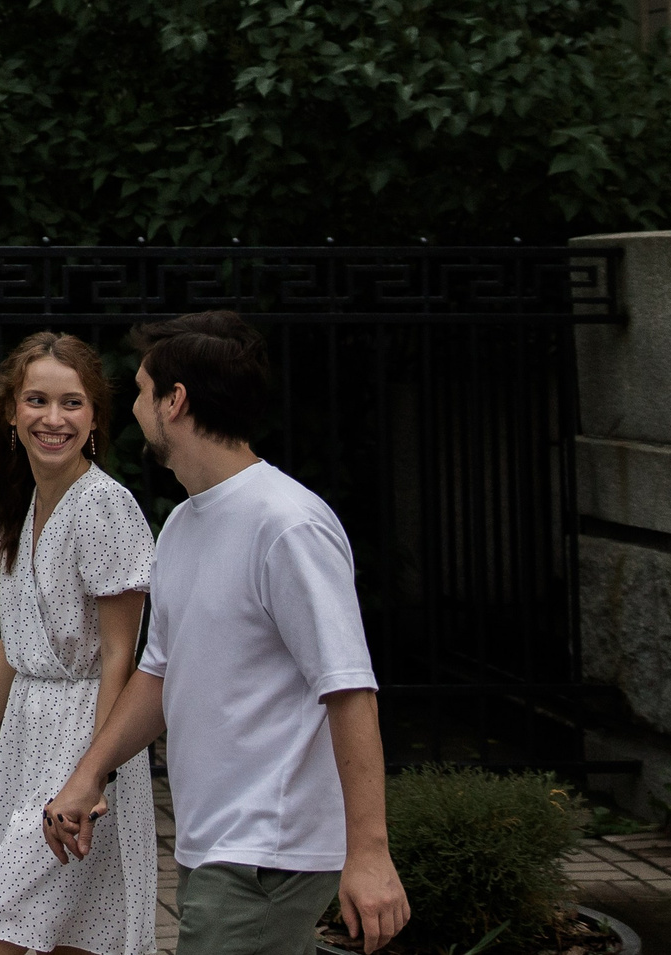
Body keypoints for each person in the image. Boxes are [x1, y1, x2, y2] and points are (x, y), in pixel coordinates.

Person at [41, 311, 410, 955]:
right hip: (215, 843)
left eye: (140, 390)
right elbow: (159, 672)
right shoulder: (183, 523)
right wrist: (89, 774)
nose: (131, 407)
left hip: (268, 851)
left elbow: (350, 690)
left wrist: (370, 855)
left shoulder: (288, 525)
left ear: (174, 402)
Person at [0, 332, 159, 955]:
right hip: (25, 741)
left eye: (73, 404)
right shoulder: (19, 506)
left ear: (95, 419)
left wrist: (91, 775)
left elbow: (122, 655)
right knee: (71, 939)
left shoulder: (105, 507)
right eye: (36, 400)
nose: (53, 419)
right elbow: (17, 642)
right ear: (11, 411)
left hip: (86, 738)